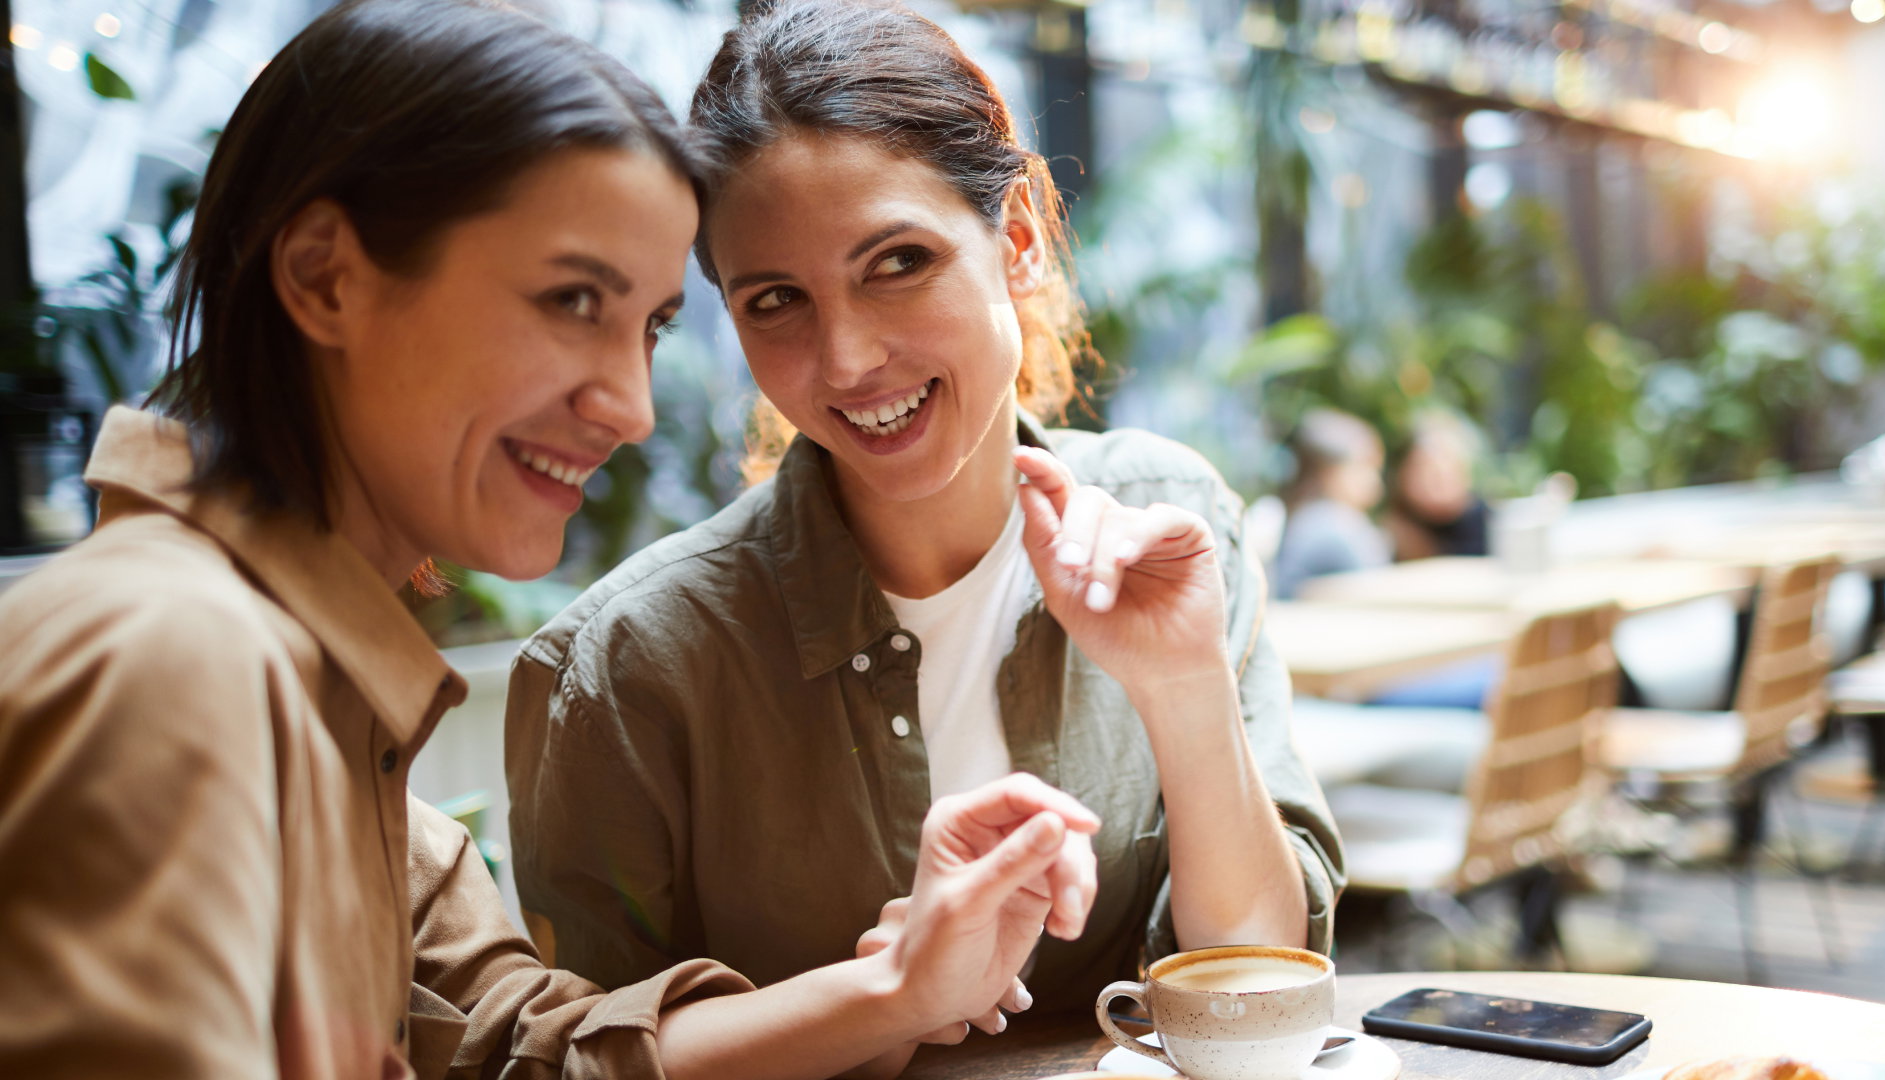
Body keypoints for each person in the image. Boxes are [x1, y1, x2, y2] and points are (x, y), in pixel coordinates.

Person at [0, 2, 1097, 1077]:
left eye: (652, 328)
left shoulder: (311, 684)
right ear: (326, 276)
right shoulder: (171, 657)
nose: (631, 407)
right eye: (573, 299)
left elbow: (522, 1047)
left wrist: (902, 990)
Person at [505, 2, 1343, 1076]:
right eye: (775, 301)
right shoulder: (630, 666)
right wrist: (884, 1002)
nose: (848, 358)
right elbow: (579, 1059)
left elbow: (1256, 988)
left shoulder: (1167, 519)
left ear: (1021, 238)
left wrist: (1183, 691)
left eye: (897, 261)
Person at [1269, 408, 1390, 598]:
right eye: (1367, 466)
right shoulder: (1336, 526)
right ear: (1330, 472)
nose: (1376, 481)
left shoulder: (1307, 518)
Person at [1385, 410, 1490, 560]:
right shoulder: (1390, 532)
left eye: (1445, 469)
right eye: (1422, 469)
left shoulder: (1489, 525)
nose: (1433, 483)